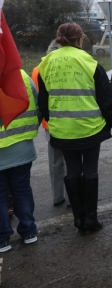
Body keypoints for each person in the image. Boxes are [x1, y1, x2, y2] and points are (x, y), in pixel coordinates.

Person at [38, 23, 112, 233]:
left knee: (72, 172)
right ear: (80, 40)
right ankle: (91, 219)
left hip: (62, 129)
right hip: (90, 127)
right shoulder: (88, 61)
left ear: (58, 38)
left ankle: (78, 220)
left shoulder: (46, 63)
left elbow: (43, 101)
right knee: (90, 171)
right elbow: (105, 96)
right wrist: (111, 120)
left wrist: (51, 120)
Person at [0, 69, 40, 252]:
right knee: (22, 189)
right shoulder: (22, 76)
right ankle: (29, 231)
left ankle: (3, 238)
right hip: (22, 146)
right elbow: (38, 106)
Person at [31, 39, 69, 207]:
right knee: (72, 161)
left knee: (55, 162)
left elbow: (38, 99)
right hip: (71, 119)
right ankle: (71, 197)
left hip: (50, 122)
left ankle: (57, 196)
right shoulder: (68, 68)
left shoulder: (38, 70)